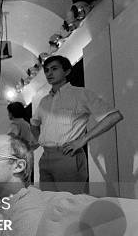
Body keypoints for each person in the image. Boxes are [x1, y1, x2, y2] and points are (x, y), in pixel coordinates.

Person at [30, 55, 123, 193]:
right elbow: (34, 123)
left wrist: (83, 140)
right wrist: (40, 140)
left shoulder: (80, 94)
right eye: (47, 70)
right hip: (46, 157)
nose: (49, 73)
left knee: (69, 203)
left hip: (68, 156)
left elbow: (114, 116)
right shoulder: (44, 101)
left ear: (67, 71)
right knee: (48, 202)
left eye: (54, 69)